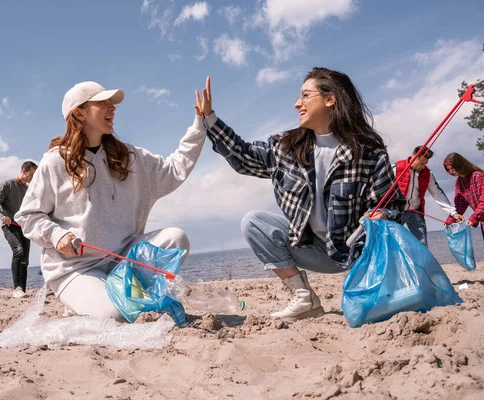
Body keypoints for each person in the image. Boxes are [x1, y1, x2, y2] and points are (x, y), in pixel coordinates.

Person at [197, 68, 404, 321]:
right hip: (314, 251)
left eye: (305, 96)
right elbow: (243, 156)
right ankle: (304, 298)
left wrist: (379, 215)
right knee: (254, 221)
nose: (297, 104)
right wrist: (210, 118)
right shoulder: (286, 147)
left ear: (330, 99)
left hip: (357, 254)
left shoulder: (368, 152)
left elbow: (393, 205)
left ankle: (381, 290)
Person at [14, 81, 207, 319]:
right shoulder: (55, 162)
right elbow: (28, 216)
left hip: (123, 261)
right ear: (79, 112)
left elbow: (173, 169)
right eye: (103, 103)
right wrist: (57, 235)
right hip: (76, 268)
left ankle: (120, 293)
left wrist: (200, 125)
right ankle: (84, 300)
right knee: (114, 315)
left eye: (112, 103)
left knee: (176, 239)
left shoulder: (129, 157)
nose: (112, 108)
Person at [393, 146, 463, 246]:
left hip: (416, 211)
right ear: (414, 157)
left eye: (425, 164)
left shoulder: (427, 173)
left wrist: (453, 213)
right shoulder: (397, 167)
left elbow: (437, 194)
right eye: (421, 163)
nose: (423, 166)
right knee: (394, 244)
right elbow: (383, 188)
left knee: (422, 244)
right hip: (397, 212)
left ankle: (421, 262)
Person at [0, 161, 38, 298]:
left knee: (25, 259)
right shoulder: (8, 184)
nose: (33, 178)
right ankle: (16, 288)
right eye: (32, 175)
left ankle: (22, 289)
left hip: (24, 227)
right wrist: (2, 216)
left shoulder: (28, 190)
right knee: (18, 251)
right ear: (23, 170)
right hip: (9, 226)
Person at [443, 152, 484, 238]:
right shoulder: (458, 183)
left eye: (452, 168)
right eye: (448, 169)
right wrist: (450, 220)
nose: (451, 171)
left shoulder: (478, 176)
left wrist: (474, 218)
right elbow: (460, 205)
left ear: (460, 165)